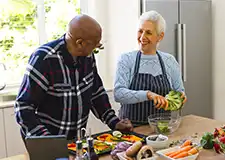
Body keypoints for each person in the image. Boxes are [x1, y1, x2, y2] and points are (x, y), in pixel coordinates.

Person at [14, 14, 133, 143]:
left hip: (75, 141)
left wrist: (114, 122)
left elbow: (96, 93)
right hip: (47, 139)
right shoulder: (44, 59)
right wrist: (48, 141)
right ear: (80, 43)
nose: (96, 48)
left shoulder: (88, 57)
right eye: (95, 44)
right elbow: (23, 106)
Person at [114, 10, 187, 126]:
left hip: (162, 130)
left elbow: (179, 91)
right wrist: (148, 95)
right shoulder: (126, 59)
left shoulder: (169, 61)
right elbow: (118, 94)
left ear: (160, 36)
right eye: (140, 31)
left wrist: (179, 99)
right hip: (130, 130)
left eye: (148, 32)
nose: (142, 37)